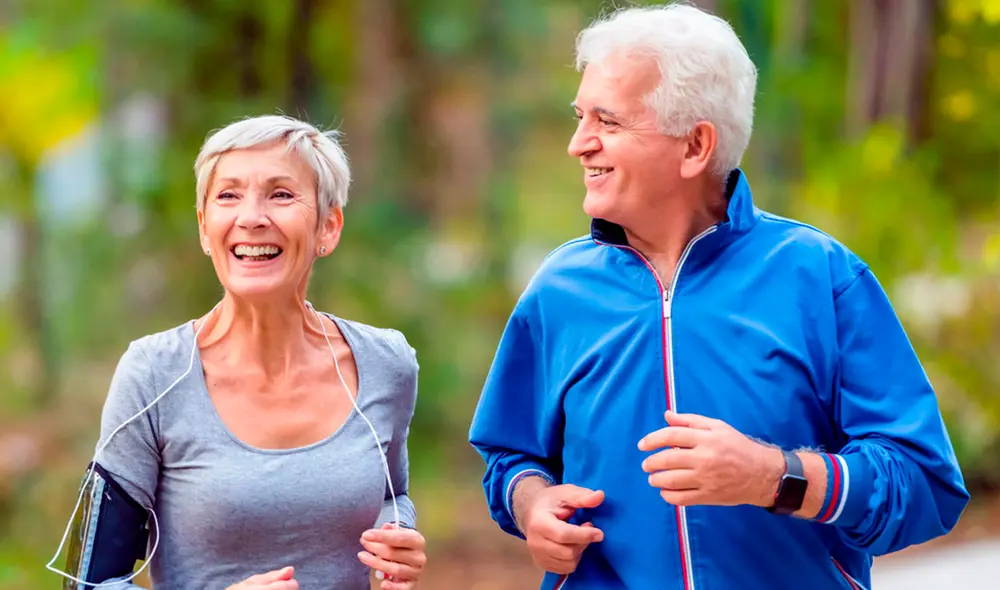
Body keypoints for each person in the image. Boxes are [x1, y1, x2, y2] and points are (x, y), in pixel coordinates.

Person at [468, 4, 969, 589]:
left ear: (695, 146)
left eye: (608, 121)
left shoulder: (821, 276)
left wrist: (772, 476)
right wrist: (531, 506)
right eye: (580, 116)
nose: (579, 143)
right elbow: (509, 458)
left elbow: (924, 485)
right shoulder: (557, 291)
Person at [50, 115, 427, 589]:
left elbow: (394, 492)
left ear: (328, 227)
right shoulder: (153, 374)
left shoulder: (386, 363)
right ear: (206, 228)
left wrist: (399, 534)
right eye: (228, 195)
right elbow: (85, 583)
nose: (251, 217)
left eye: (281, 194)